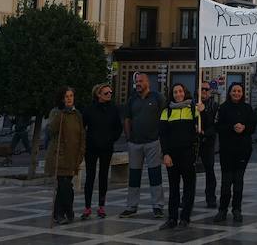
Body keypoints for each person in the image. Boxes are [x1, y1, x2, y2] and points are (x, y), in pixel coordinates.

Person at [120, 73, 166, 219]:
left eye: (140, 81)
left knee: (155, 174)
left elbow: (165, 116)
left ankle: (158, 206)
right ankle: (131, 206)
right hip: (135, 143)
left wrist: (161, 137)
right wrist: (128, 138)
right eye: (136, 81)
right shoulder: (132, 99)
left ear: (148, 82)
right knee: (134, 176)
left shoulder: (157, 97)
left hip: (153, 142)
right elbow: (127, 118)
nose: (138, 84)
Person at [158, 83, 201, 230]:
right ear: (172, 94)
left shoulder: (193, 109)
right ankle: (172, 218)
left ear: (185, 92)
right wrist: (165, 154)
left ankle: (185, 218)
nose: (178, 94)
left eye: (180, 91)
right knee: (173, 188)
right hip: (172, 155)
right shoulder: (167, 111)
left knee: (189, 187)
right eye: (175, 92)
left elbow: (203, 127)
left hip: (188, 154)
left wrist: (203, 112)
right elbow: (163, 135)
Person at [214, 82, 256, 223]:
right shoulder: (223, 108)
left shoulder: (247, 108)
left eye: (239, 91)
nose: (236, 93)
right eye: (234, 91)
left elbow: (253, 126)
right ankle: (222, 209)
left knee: (238, 181)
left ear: (242, 93)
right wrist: (232, 127)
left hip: (243, 150)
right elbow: (218, 126)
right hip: (227, 151)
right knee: (226, 182)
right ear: (230, 92)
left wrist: (244, 127)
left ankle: (237, 209)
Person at [81, 83, 122, 220]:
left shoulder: (113, 109)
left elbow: (118, 127)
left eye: (110, 92)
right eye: (106, 93)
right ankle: (87, 207)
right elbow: (82, 127)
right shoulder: (89, 109)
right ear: (98, 94)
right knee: (90, 176)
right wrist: (86, 140)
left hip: (106, 148)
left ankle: (101, 206)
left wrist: (111, 139)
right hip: (91, 148)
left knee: (103, 176)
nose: (109, 94)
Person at [46, 87, 85, 225]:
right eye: (66, 96)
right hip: (60, 156)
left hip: (72, 156)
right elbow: (51, 130)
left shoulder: (77, 114)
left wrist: (81, 152)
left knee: (66, 186)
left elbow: (81, 134)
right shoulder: (56, 112)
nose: (69, 99)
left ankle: (60, 213)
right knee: (65, 186)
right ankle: (66, 212)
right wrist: (60, 114)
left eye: (71, 96)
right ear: (62, 99)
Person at [198, 81, 219, 208]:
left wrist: (205, 132)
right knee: (188, 171)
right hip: (194, 142)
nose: (204, 91)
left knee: (209, 170)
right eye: (202, 89)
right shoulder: (193, 104)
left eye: (206, 89)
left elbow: (214, 124)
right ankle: (186, 198)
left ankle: (211, 197)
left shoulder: (214, 106)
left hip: (208, 142)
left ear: (210, 91)